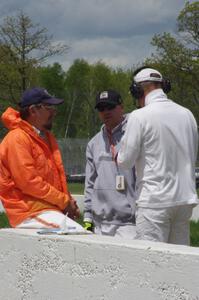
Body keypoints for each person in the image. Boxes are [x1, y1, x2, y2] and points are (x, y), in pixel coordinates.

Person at [117, 67, 199, 245]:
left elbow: (124, 161)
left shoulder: (139, 116)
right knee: (179, 260)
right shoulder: (187, 115)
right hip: (184, 200)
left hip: (154, 201)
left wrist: (117, 152)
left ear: (137, 90)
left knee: (152, 264)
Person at [0, 87, 83, 231]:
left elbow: (55, 179)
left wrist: (68, 200)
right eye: (49, 107)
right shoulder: (17, 138)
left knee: (83, 237)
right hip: (28, 212)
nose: (54, 112)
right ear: (33, 110)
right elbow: (29, 182)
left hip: (48, 211)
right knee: (79, 234)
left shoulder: (45, 138)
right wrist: (64, 202)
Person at [83, 89, 136, 238]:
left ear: (121, 107)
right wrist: (88, 217)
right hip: (100, 224)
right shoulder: (94, 144)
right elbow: (90, 183)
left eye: (110, 107)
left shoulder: (134, 135)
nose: (106, 112)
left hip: (129, 224)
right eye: (101, 108)